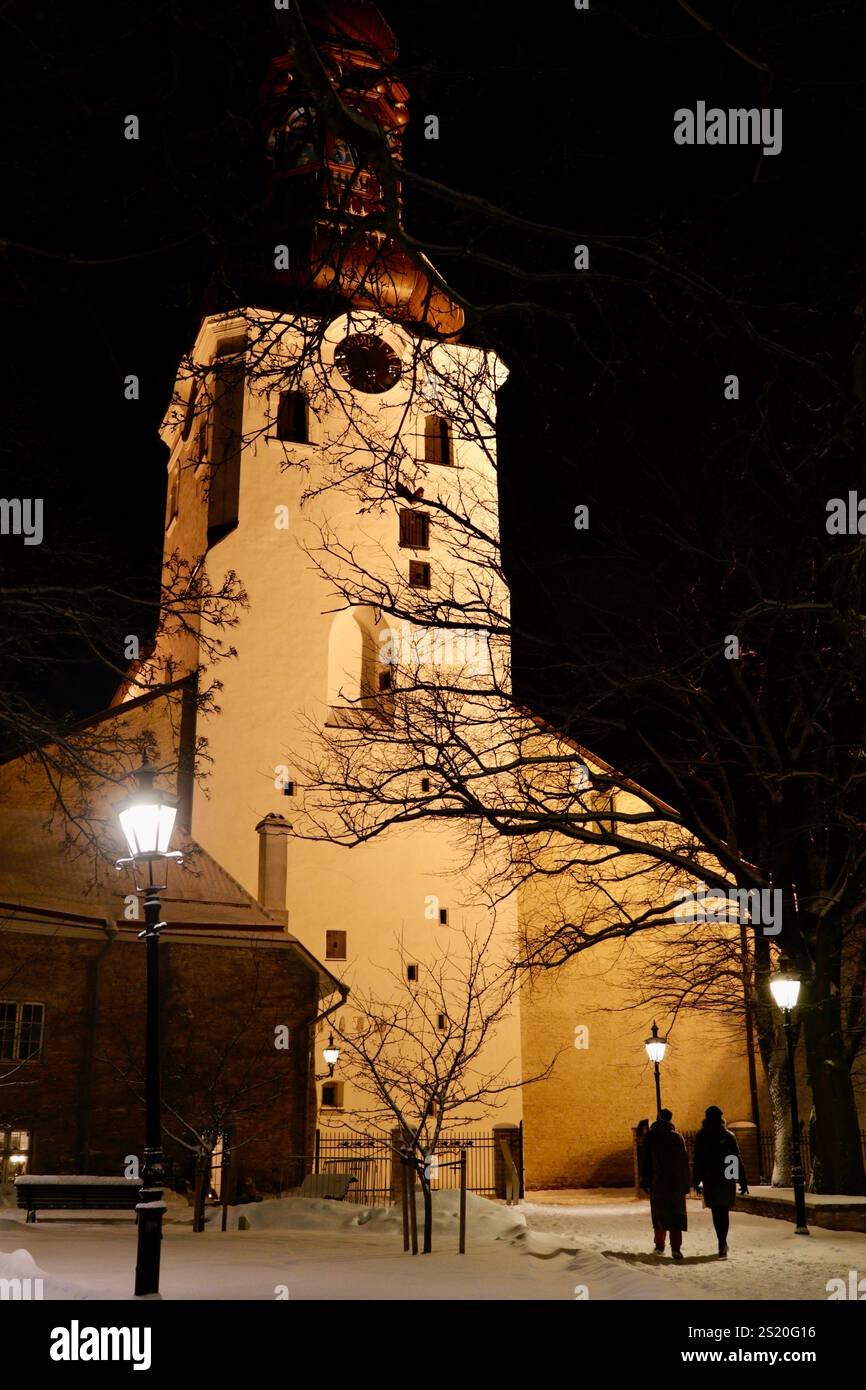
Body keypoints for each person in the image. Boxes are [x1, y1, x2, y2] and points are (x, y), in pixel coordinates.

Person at [692, 1105, 749, 1258]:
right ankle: (723, 1241)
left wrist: (696, 1181)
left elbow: (698, 1160)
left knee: (717, 1211)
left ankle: (721, 1240)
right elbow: (736, 1158)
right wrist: (742, 1180)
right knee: (724, 1211)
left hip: (710, 1178)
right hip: (727, 1177)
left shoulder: (702, 1136)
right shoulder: (728, 1135)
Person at [641, 1108, 690, 1258]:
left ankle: (659, 1245)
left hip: (658, 1182)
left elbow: (645, 1161)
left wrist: (646, 1181)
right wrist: (686, 1183)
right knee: (676, 1215)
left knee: (660, 1214)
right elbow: (684, 1162)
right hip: (675, 1182)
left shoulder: (651, 1137)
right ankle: (676, 1248)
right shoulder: (677, 1138)